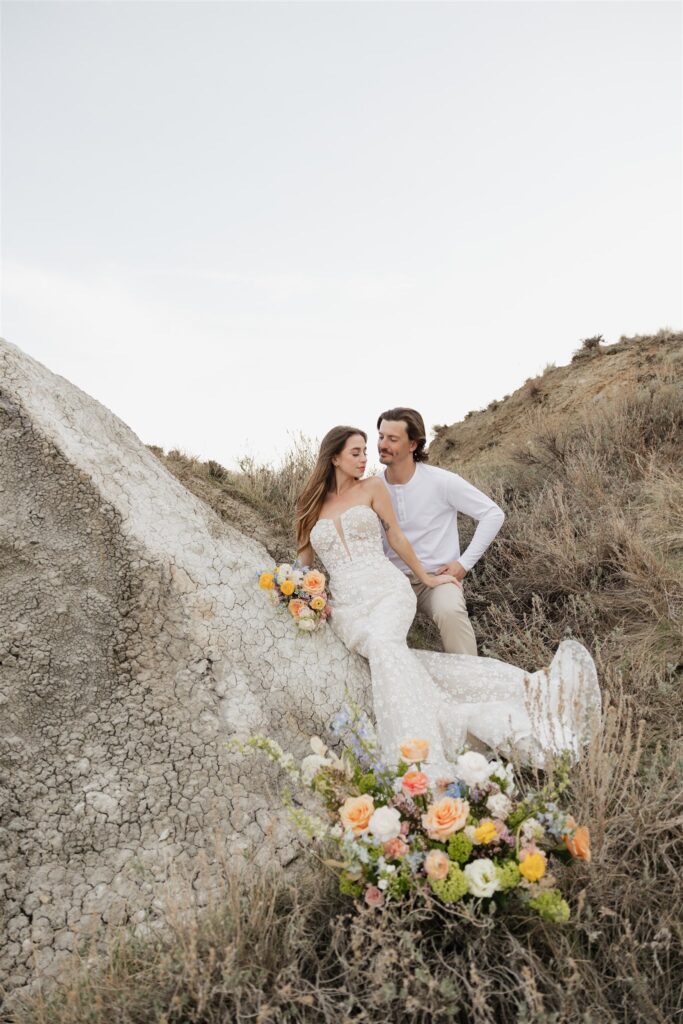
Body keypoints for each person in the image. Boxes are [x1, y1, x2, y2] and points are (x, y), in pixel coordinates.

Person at [295, 425, 600, 781]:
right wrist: (305, 595)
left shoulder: (374, 487)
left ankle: (416, 759)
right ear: (334, 458)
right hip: (346, 606)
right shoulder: (310, 504)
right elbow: (304, 562)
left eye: (366, 450)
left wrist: (425, 577)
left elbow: (395, 535)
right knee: (396, 658)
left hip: (387, 591)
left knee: (384, 644)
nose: (366, 458)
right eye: (356, 453)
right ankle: (457, 717)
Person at [377, 407, 504, 656]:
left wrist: (464, 564)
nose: (383, 444)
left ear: (413, 444)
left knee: (450, 611)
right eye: (381, 436)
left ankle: (471, 683)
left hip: (437, 578)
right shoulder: (373, 488)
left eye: (392, 439)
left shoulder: (442, 481)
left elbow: (493, 514)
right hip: (392, 581)